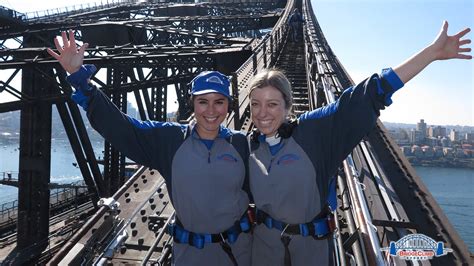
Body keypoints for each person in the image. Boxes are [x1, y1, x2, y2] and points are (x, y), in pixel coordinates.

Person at [247, 21, 471, 266]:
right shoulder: (246, 146)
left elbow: (369, 94)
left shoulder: (311, 133)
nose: (262, 113)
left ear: (287, 106)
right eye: (255, 104)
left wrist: (431, 53)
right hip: (262, 253)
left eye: (272, 104)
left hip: (310, 254)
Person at [47, 30, 252, 266]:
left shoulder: (241, 143)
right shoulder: (171, 140)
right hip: (190, 256)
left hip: (240, 254)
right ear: (192, 104)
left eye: (219, 102)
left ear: (228, 106)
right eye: (202, 101)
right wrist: (80, 78)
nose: (211, 110)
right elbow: (122, 128)